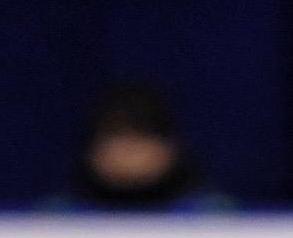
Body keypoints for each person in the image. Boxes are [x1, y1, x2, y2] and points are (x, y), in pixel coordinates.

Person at [46, 83, 231, 212]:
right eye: (116, 136)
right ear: (91, 150)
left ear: (171, 148)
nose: (129, 150)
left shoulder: (216, 219)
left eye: (143, 136)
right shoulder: (50, 222)